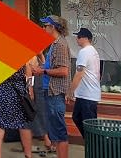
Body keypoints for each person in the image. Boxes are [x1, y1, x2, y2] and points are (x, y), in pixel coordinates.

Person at [30, 15, 70, 158]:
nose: (43, 28)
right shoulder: (54, 44)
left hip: (55, 93)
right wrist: (41, 65)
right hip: (49, 91)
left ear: (53, 27)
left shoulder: (60, 45)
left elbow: (64, 71)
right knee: (54, 131)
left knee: (59, 132)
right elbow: (49, 66)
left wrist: (43, 71)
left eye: (45, 26)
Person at [0, 60, 34, 158]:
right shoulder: (23, 54)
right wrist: (30, 90)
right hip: (18, 96)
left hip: (2, 93)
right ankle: (28, 155)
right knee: (24, 125)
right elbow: (29, 75)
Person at [68, 27, 101, 139]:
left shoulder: (84, 52)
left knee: (89, 125)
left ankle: (95, 146)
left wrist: (70, 91)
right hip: (88, 93)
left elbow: (79, 74)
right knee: (77, 117)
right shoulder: (93, 51)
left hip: (87, 94)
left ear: (86, 38)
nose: (77, 39)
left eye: (79, 37)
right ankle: (90, 142)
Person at [29, 51, 54, 155]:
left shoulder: (39, 55)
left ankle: (46, 139)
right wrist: (29, 88)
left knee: (38, 110)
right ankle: (45, 139)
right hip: (33, 81)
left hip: (37, 81)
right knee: (35, 111)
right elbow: (28, 72)